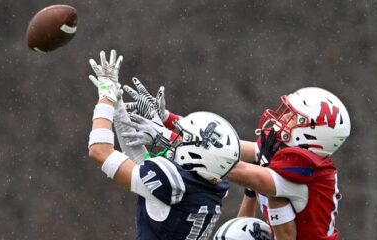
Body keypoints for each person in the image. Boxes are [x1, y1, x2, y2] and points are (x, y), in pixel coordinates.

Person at [121, 81, 351, 240]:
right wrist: (169, 120)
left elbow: (222, 162)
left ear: (313, 134)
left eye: (294, 116)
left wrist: (171, 138)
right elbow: (228, 148)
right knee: (237, 232)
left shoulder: (305, 172)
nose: (284, 117)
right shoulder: (287, 155)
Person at [87, 50, 242, 240]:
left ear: (197, 156)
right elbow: (140, 164)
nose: (174, 138)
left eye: (183, 137)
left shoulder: (173, 183)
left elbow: (99, 151)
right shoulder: (214, 183)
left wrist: (106, 98)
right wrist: (119, 111)